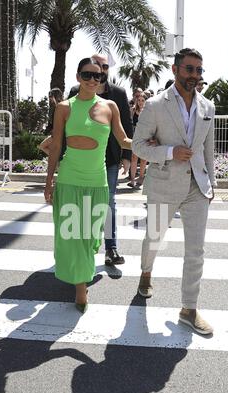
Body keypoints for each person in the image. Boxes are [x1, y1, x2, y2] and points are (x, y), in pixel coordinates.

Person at [132, 48, 216, 336]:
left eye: (198, 70)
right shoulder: (155, 105)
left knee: (196, 251)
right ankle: (146, 273)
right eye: (189, 69)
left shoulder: (208, 107)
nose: (195, 75)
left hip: (197, 188)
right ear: (175, 69)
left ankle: (189, 308)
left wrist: (211, 185)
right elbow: (138, 146)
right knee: (154, 238)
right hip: (164, 184)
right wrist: (169, 151)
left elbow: (208, 150)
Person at [44, 58, 132, 313]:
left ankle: (82, 270)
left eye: (99, 77)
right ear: (77, 76)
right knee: (74, 236)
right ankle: (81, 289)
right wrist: (49, 181)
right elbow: (56, 146)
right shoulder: (64, 108)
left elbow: (123, 139)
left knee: (92, 236)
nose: (93, 80)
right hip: (70, 178)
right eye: (87, 75)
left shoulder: (111, 106)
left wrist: (151, 145)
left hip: (98, 181)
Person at [68, 54, 133, 267]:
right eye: (96, 68)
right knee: (82, 204)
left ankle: (111, 247)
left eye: (105, 67)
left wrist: (127, 156)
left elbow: (126, 126)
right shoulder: (75, 93)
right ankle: (82, 249)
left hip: (110, 158)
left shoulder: (118, 94)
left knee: (108, 202)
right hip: (80, 162)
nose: (101, 71)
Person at [128, 92, 148, 189]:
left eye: (142, 100)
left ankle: (141, 178)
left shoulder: (148, 111)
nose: (140, 102)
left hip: (145, 136)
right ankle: (132, 179)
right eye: (139, 100)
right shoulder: (132, 110)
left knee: (143, 159)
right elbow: (130, 123)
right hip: (135, 135)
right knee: (134, 158)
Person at [39, 88, 63, 156]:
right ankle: (58, 161)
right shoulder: (55, 107)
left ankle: (58, 160)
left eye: (51, 96)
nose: (49, 98)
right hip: (57, 134)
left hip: (59, 134)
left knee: (42, 146)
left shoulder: (61, 106)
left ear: (55, 96)